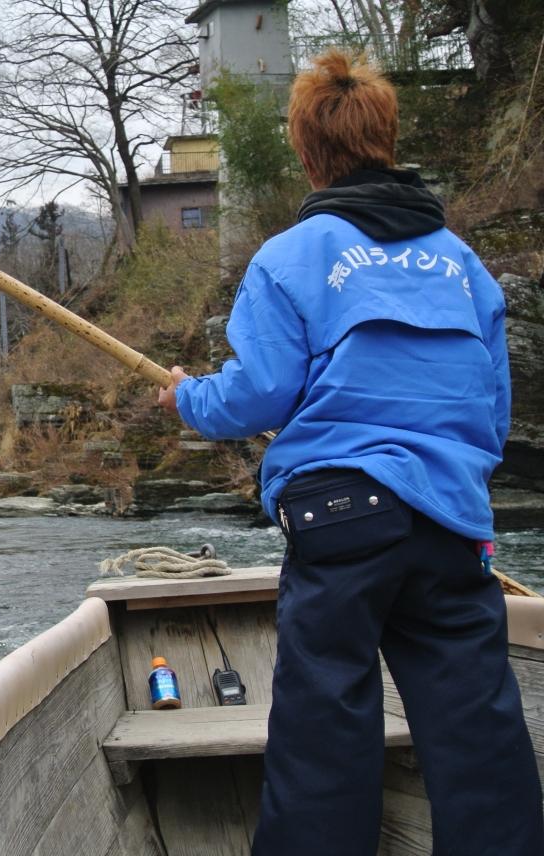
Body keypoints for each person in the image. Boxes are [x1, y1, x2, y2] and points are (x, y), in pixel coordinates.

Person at [158, 50, 544, 855]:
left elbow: (259, 396)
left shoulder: (292, 256)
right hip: (451, 518)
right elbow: (492, 410)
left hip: (341, 515)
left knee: (324, 728)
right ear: (388, 141)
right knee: (478, 731)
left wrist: (187, 397)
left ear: (307, 153)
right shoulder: (463, 265)